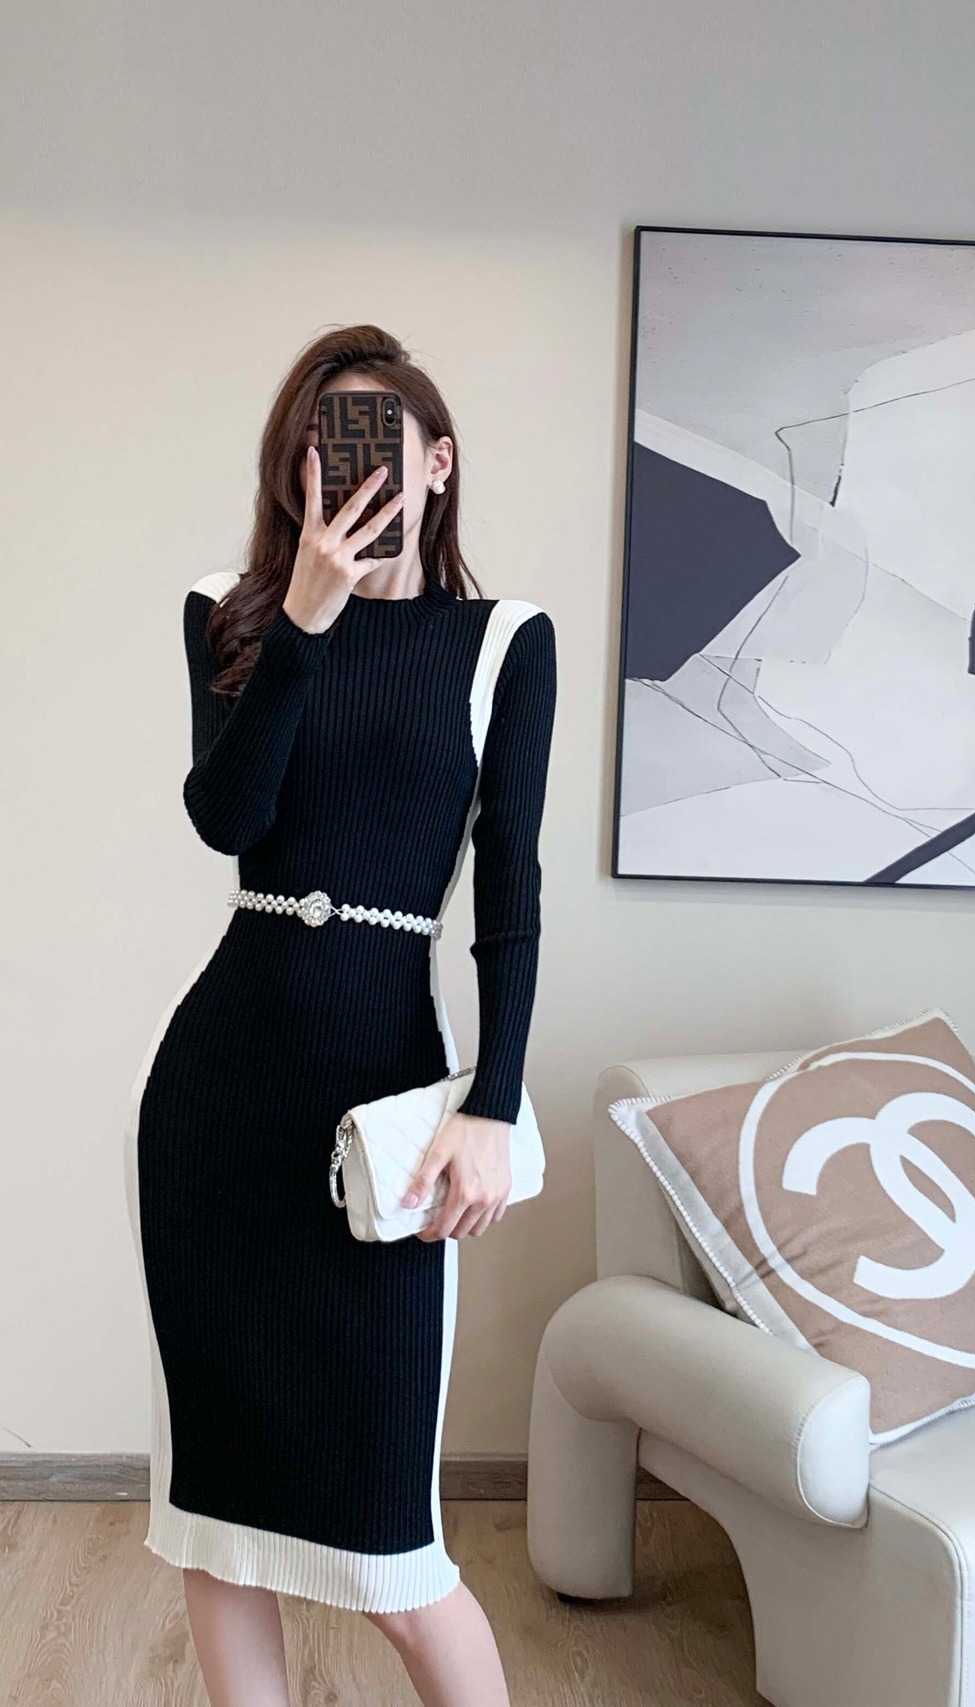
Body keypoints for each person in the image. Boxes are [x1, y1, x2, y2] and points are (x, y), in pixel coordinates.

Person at [122, 322, 557, 1706]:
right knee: (219, 1519)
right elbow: (228, 818)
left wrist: (494, 1106)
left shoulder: (503, 643)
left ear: (439, 462)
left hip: (382, 1091)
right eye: (319, 447)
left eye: (375, 438)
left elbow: (510, 895)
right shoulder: (230, 610)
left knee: (398, 1553)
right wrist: (303, 621)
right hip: (220, 1096)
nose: (348, 467)